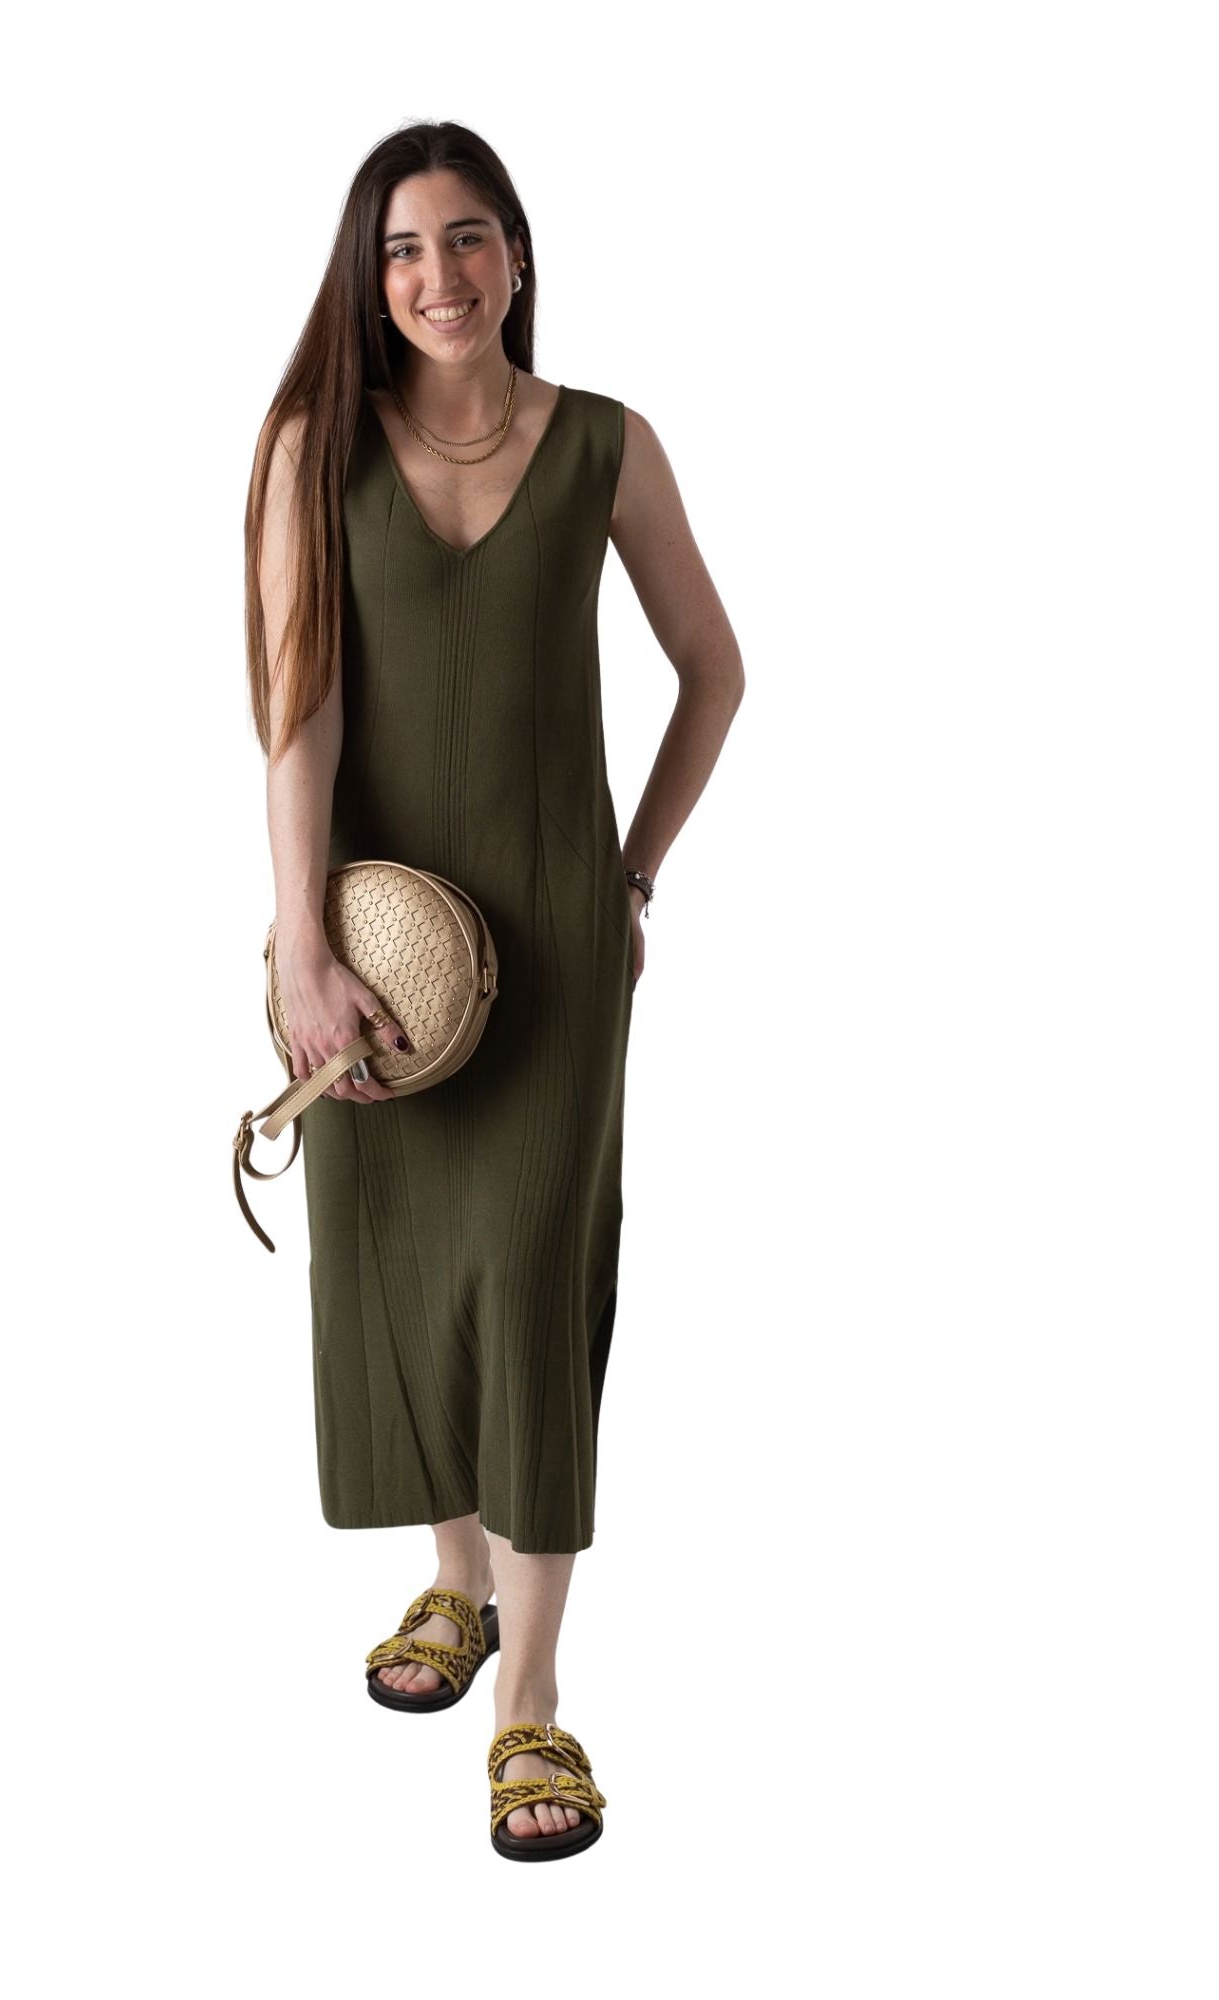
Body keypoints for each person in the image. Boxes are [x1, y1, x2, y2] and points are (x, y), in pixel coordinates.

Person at [244, 121, 744, 1859]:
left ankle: (529, 1691)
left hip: (556, 938)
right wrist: (303, 948)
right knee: (395, 1266)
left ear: (516, 254)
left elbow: (713, 668)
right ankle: (452, 1581)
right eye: (402, 247)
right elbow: (297, 708)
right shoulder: (314, 445)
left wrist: (632, 875)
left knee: (533, 1284)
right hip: (376, 953)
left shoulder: (606, 444)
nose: (438, 275)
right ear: (367, 275)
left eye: (467, 238)